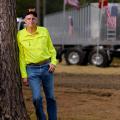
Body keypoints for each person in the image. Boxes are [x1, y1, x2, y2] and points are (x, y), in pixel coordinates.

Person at [17, 8, 57, 120]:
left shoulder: (44, 31)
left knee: (51, 97)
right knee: (36, 98)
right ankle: (41, 117)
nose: (31, 20)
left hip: (47, 68)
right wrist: (24, 75)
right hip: (31, 70)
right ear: (25, 21)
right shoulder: (20, 35)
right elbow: (21, 57)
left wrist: (53, 63)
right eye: (28, 18)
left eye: (33, 18)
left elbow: (52, 49)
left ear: (37, 20)